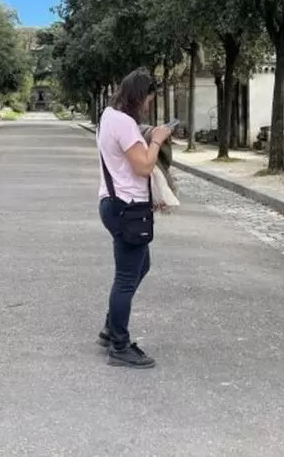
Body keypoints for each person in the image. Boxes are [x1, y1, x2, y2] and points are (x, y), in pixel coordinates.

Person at [96, 70, 172, 369]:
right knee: (126, 279)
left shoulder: (108, 116)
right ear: (140, 96)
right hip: (127, 208)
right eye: (149, 99)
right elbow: (142, 167)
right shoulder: (125, 123)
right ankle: (119, 345)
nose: (149, 106)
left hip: (113, 203)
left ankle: (111, 326)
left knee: (142, 265)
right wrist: (156, 139)